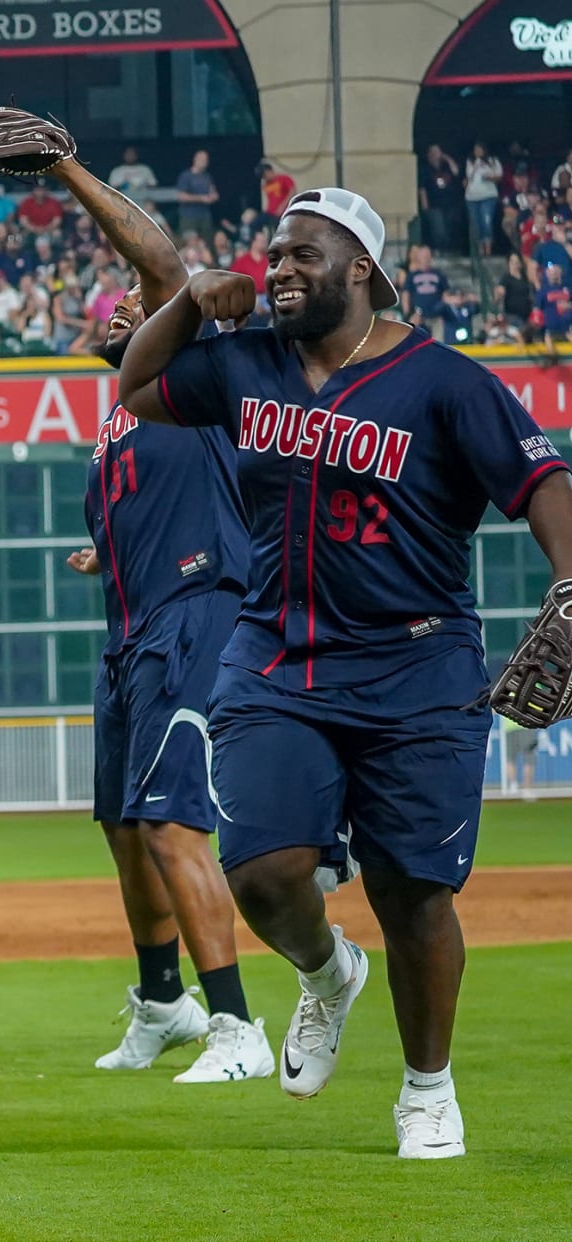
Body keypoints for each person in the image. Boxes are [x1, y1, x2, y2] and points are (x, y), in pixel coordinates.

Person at [117, 187, 572, 1158]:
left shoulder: (443, 380)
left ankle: (427, 1089)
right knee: (266, 875)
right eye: (274, 253)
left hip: (418, 662)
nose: (280, 269)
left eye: (305, 255)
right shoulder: (246, 365)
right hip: (277, 653)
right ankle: (327, 975)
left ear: (360, 268)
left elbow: (544, 482)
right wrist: (193, 300)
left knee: (415, 894)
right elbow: (136, 385)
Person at [33, 129, 269, 1083]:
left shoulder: (190, 375)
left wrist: (64, 169)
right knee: (126, 830)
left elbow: (167, 262)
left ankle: (240, 1027)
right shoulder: (118, 422)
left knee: (174, 826)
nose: (126, 299)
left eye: (134, 296)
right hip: (130, 633)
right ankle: (163, 1002)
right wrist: (105, 549)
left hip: (197, 611)